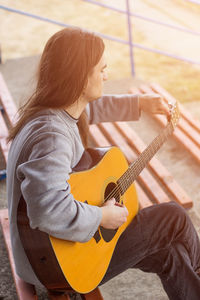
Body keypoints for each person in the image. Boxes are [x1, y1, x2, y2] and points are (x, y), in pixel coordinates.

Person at [7, 27, 200, 300]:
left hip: (49, 252)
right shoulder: (52, 136)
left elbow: (92, 108)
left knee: (170, 253)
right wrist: (102, 216)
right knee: (173, 217)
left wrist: (140, 103)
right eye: (102, 70)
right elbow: (47, 211)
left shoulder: (54, 109)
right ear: (79, 77)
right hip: (58, 264)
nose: (107, 76)